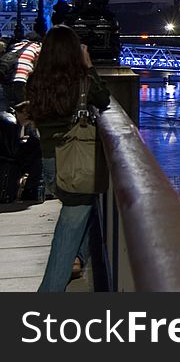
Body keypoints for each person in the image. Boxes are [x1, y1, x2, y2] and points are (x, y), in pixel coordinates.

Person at [23, 25, 110, 292]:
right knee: (69, 225)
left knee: (87, 208)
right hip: (75, 162)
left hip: (50, 163)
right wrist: (89, 66)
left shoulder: (36, 81)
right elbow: (104, 99)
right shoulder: (81, 82)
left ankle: (79, 258)